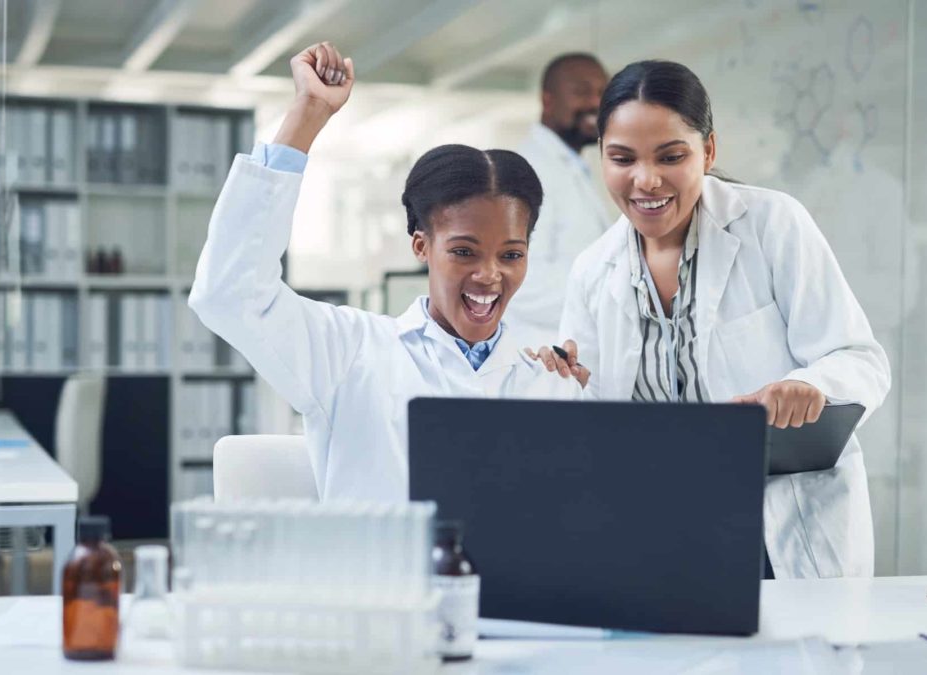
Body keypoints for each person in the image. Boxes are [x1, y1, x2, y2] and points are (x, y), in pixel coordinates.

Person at [536, 60, 891, 578]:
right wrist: (561, 386)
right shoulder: (593, 270)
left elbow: (861, 359)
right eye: (622, 158)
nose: (645, 180)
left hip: (777, 534)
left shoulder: (771, 224)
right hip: (652, 533)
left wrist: (809, 385)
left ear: (708, 151)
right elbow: (594, 423)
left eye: (671, 156)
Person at [189, 42, 582, 502]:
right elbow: (229, 294)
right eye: (464, 252)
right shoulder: (350, 351)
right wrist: (308, 114)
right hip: (377, 574)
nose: (489, 275)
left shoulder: (546, 379)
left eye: (511, 255)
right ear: (422, 245)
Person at [505, 53, 612, 347]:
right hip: (543, 356)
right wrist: (614, 296)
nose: (594, 103)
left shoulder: (574, 167)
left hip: (572, 353)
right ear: (548, 100)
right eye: (581, 92)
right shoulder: (531, 169)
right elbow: (522, 280)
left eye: (602, 93)